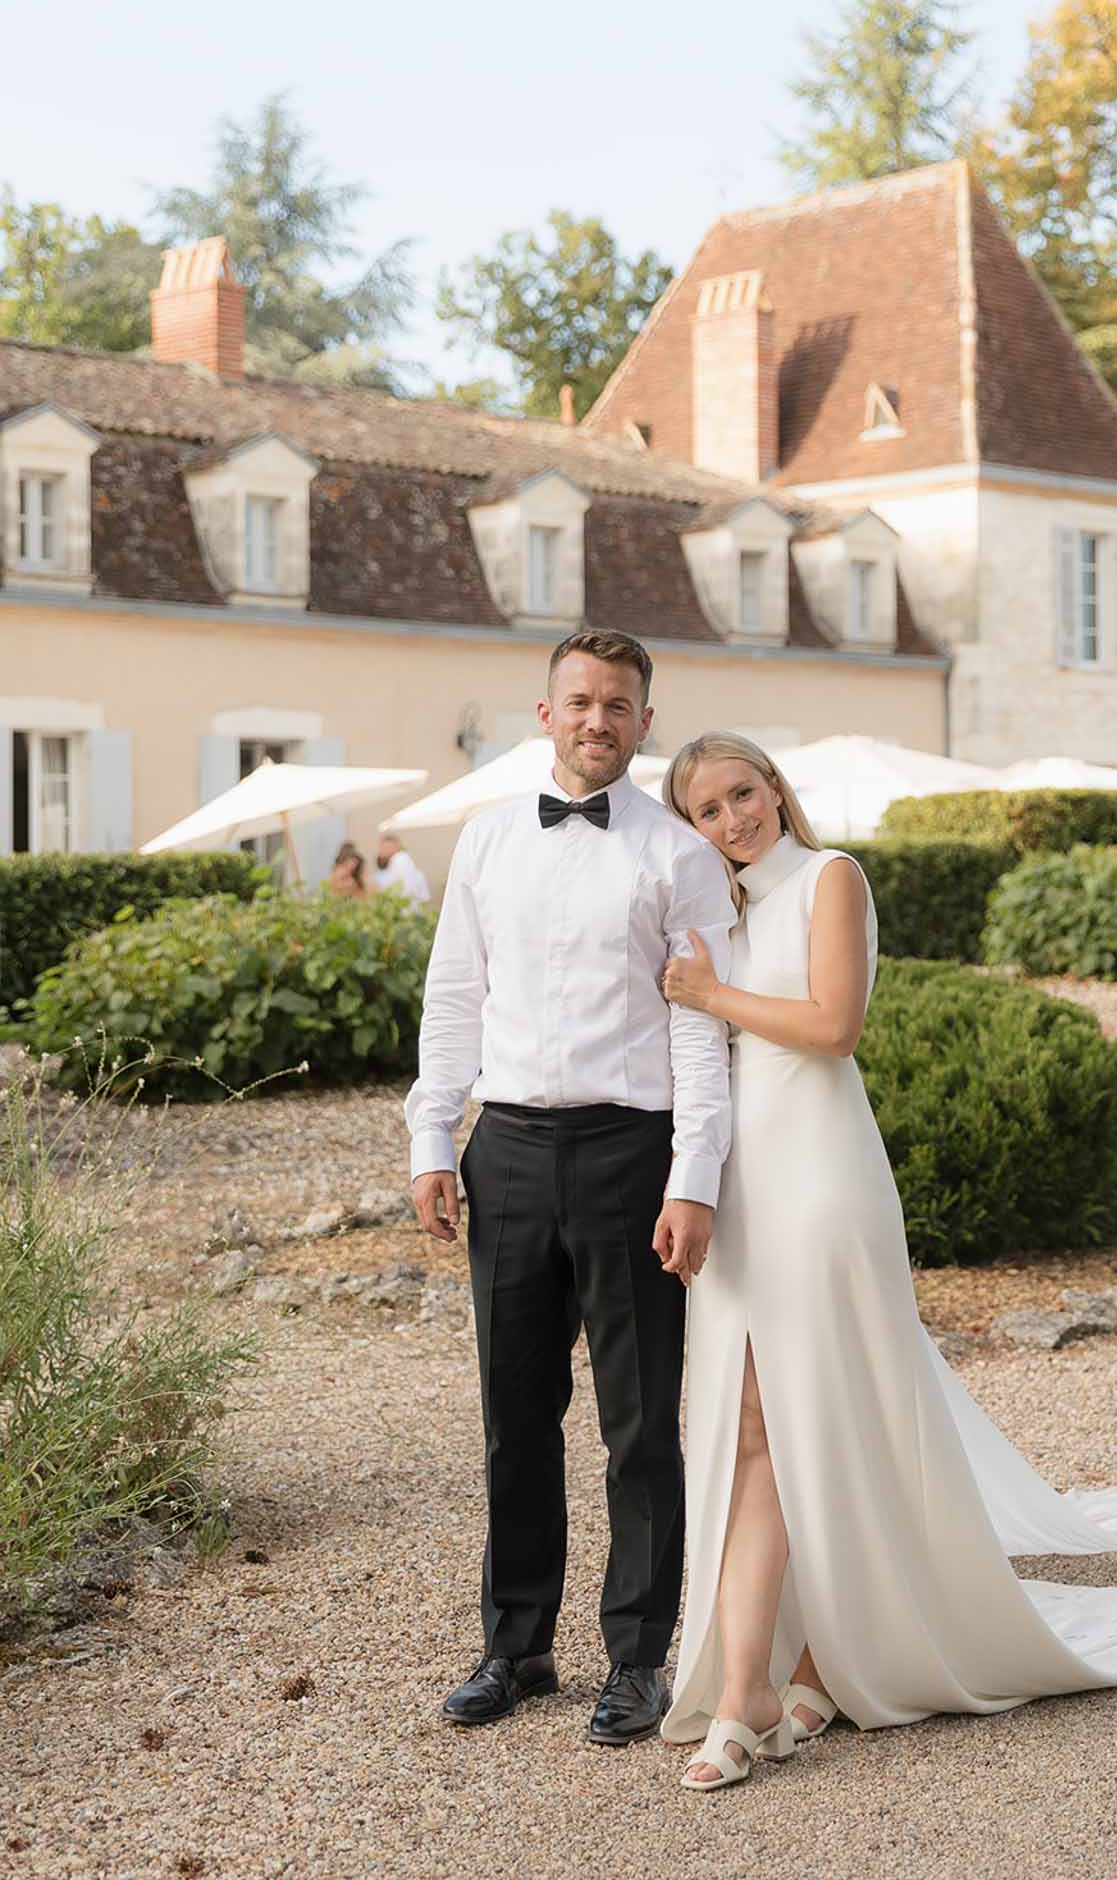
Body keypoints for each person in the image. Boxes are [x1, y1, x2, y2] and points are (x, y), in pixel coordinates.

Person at [658, 732, 1117, 1793]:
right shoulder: (712, 913)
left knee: (795, 1416)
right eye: (708, 808)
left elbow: (833, 1025)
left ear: (776, 788)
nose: (735, 817)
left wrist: (706, 994)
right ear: (687, 826)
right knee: (756, 1424)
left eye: (745, 791)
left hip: (822, 1173)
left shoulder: (831, 876)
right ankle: (804, 1662)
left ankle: (753, 1693)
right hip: (741, 1182)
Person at [406, 630, 735, 1747]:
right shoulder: (489, 839)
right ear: (543, 712)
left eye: (620, 705)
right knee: (514, 1414)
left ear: (646, 722)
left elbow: (702, 1032)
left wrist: (694, 1177)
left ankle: (637, 1656)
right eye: (580, 700)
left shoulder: (678, 854)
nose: (599, 720)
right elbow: (454, 996)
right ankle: (517, 1643)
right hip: (503, 1151)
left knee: (640, 1422)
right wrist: (429, 1139)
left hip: (628, 1153)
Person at [374, 832, 431, 905]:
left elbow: (405, 890)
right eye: (381, 847)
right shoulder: (395, 862)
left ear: (396, 847)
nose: (381, 851)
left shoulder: (400, 859)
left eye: (386, 847)